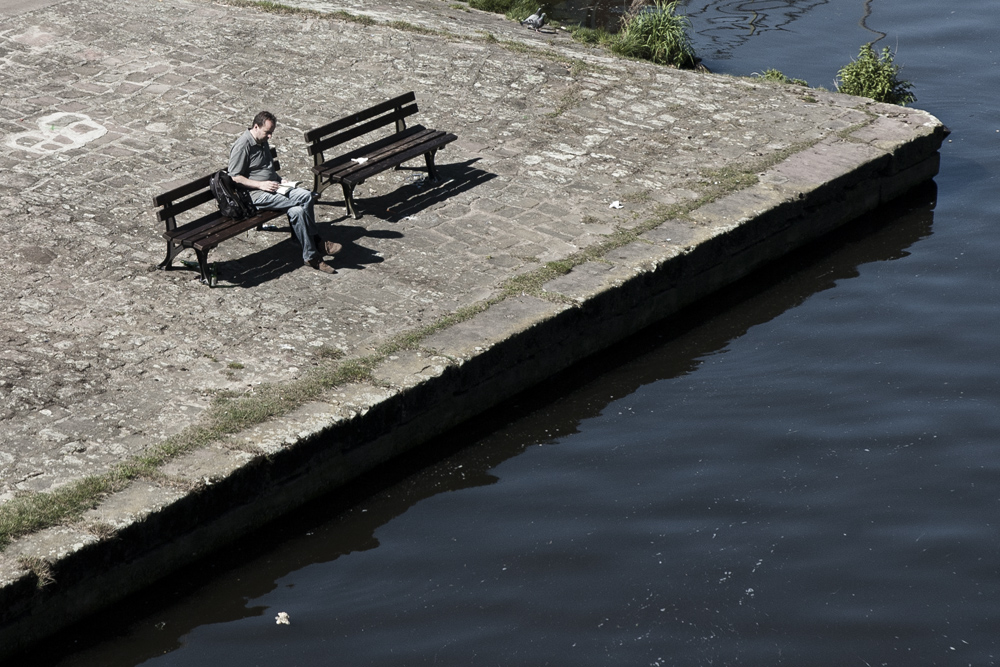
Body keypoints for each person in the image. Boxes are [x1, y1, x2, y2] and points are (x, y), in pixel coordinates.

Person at [228, 111, 341, 274]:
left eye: (271, 133)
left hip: (272, 188)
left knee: (297, 211)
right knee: (305, 196)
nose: (270, 137)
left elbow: (266, 169)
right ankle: (316, 240)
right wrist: (260, 185)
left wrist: (280, 180)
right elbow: (234, 177)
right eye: (268, 132)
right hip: (256, 196)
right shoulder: (242, 145)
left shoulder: (261, 141)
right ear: (256, 126)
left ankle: (310, 256)